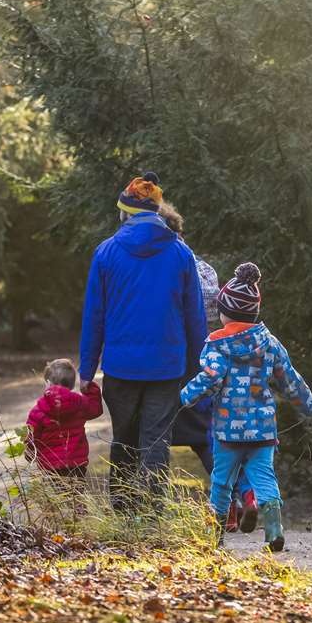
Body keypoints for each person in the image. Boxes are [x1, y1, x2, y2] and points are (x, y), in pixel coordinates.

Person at [79, 172, 208, 510]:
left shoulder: (105, 252)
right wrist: (202, 365)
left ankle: (122, 512)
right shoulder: (180, 254)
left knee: (123, 438)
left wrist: (86, 369)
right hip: (166, 367)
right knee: (156, 441)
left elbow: (94, 315)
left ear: (125, 214)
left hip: (121, 367)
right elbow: (194, 315)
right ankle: (152, 515)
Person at [180, 262, 312, 552]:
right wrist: (308, 404)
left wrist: (185, 396)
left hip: (227, 432)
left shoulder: (216, 346)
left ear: (224, 312)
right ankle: (274, 531)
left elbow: (212, 377)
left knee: (221, 482)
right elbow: (288, 378)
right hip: (263, 429)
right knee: (264, 477)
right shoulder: (269, 343)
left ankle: (213, 536)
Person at [159, 205, 256, 530]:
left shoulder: (165, 267)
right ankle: (237, 501)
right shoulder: (205, 269)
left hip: (173, 362)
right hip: (210, 359)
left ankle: (148, 507)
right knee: (210, 438)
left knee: (155, 433)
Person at [25, 358, 102, 491]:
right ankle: (79, 512)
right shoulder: (79, 403)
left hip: (50, 466)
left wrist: (30, 453)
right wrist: (90, 387)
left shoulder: (38, 410)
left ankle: (58, 512)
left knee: (57, 502)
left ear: (48, 383)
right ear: (72, 385)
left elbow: (32, 436)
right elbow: (96, 409)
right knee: (76, 498)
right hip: (76, 464)